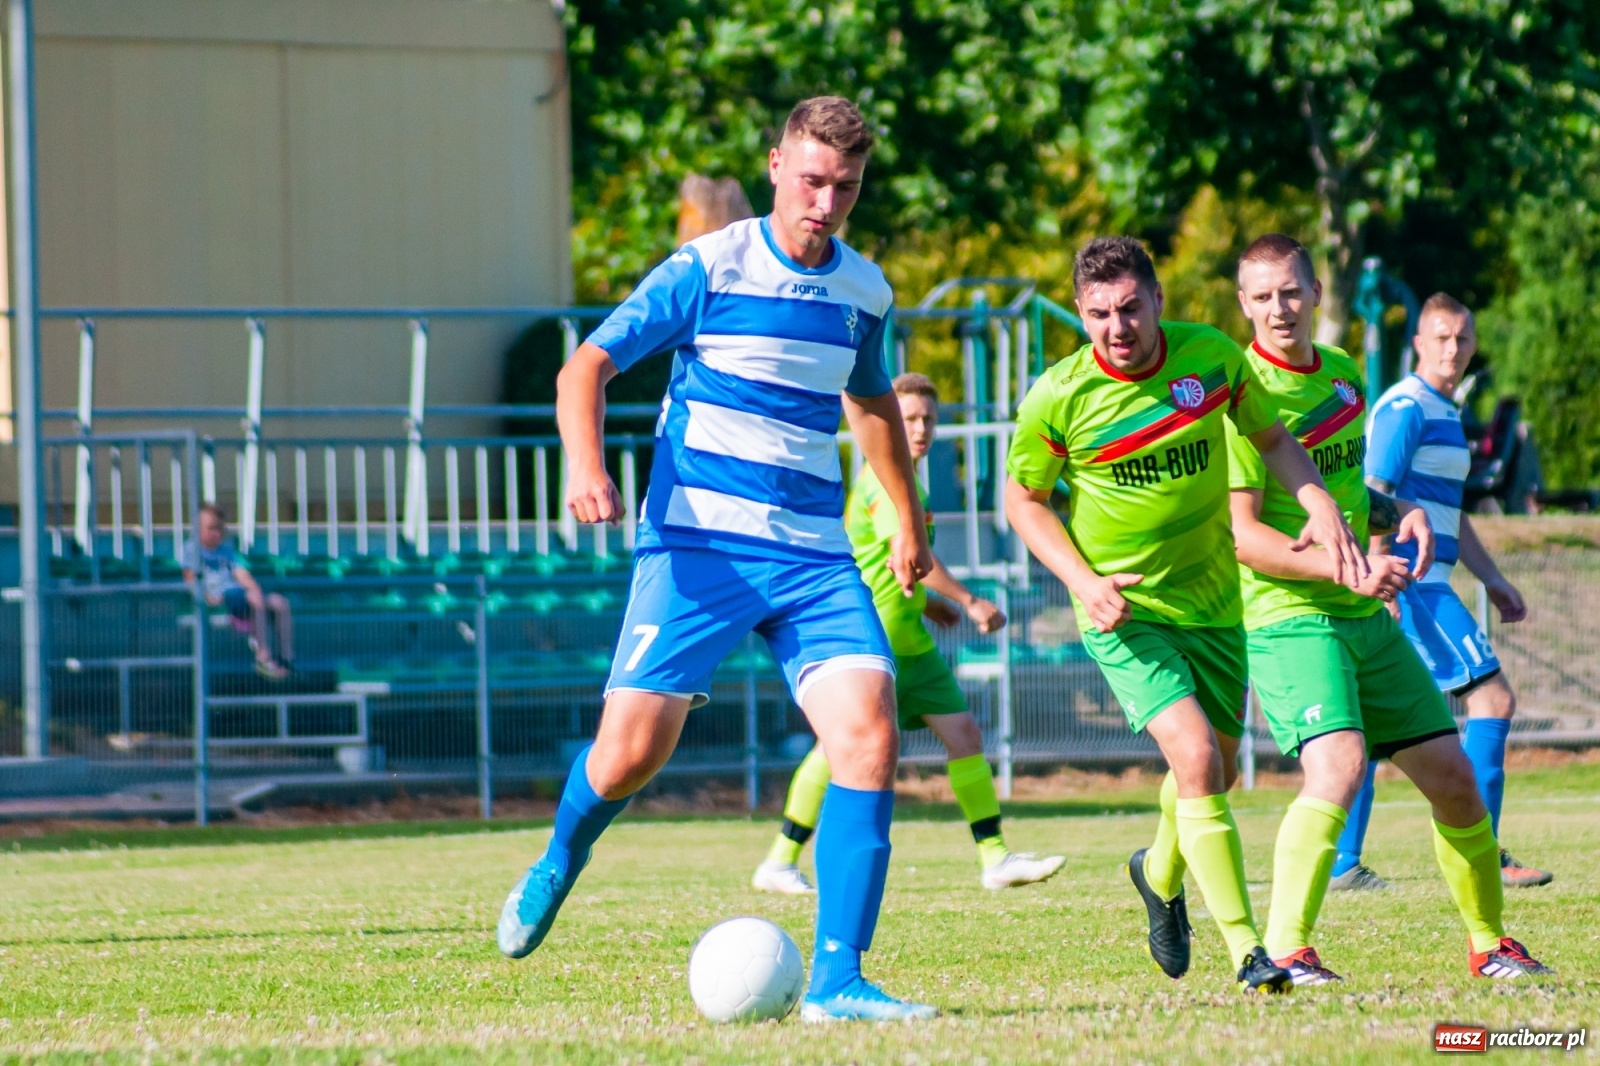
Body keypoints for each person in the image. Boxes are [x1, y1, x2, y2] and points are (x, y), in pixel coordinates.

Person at [495, 96, 940, 1023]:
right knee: (627, 758)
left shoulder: (865, 291)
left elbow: (870, 406)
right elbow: (585, 369)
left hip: (813, 555)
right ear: (777, 165)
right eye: (812, 180)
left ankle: (838, 980)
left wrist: (907, 518)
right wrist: (585, 466)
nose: (825, 203)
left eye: (845, 188)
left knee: (869, 730)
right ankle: (560, 855)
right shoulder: (709, 265)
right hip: (696, 548)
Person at [1005, 235, 1367, 995]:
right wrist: (1084, 578)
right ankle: (1248, 953)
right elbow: (1023, 501)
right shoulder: (1058, 396)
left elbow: (1271, 436)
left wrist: (1318, 499)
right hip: (1123, 610)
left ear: (1158, 301)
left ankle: (1158, 872)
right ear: (1080, 313)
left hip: (1213, 601)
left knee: (1218, 770)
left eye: (1132, 307)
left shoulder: (1211, 360)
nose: (1118, 327)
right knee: (1196, 757)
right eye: (1100, 313)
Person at [1227, 235, 1550, 983]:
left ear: (1313, 293)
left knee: (1453, 778)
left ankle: (1489, 944)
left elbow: (1343, 490)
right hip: (1289, 616)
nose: (1279, 307)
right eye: (1263, 295)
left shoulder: (1341, 377)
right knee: (1337, 768)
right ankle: (1281, 954)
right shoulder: (1242, 393)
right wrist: (1349, 571)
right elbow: (1246, 538)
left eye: (1291, 291)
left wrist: (1393, 509)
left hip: (1362, 609)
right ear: (1243, 304)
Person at [753, 373, 1066, 895]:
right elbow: (909, 554)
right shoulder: (882, 479)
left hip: (910, 644)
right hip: (869, 642)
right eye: (908, 418)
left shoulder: (909, 479)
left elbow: (899, 567)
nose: (919, 428)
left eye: (927, 419)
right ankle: (780, 860)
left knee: (963, 735)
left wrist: (932, 606)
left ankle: (995, 858)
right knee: (833, 751)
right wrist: (967, 600)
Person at [1331, 294, 1554, 892]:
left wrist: (1493, 578)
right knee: (1493, 701)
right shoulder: (1406, 408)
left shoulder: (1443, 412)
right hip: (1412, 584)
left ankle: (1342, 864)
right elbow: (1371, 491)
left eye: (1461, 338)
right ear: (1418, 345)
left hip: (1426, 579)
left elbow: (1447, 513)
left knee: (1374, 728)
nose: (1452, 348)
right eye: (1440, 337)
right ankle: (1486, 857)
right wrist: (1376, 574)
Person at [182, 504, 292, 680]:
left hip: (238, 595)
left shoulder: (227, 552)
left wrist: (254, 588)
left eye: (219, 528)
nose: (216, 533)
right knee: (254, 599)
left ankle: (286, 658)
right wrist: (205, 596)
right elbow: (190, 578)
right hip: (221, 599)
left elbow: (242, 575)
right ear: (198, 529)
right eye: (211, 529)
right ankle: (262, 656)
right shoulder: (192, 550)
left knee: (280, 602)